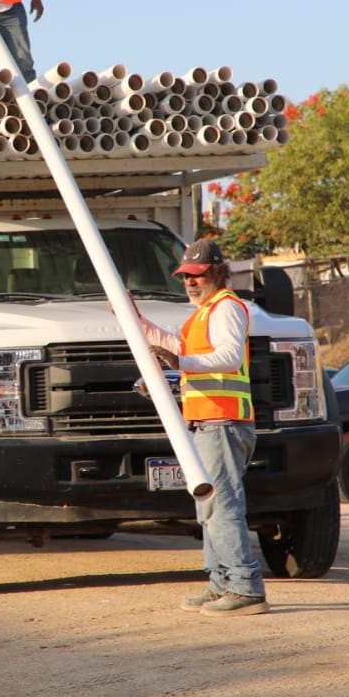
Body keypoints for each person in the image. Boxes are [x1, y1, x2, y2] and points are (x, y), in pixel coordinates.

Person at [137, 238, 268, 616]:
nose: (191, 282)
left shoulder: (226, 308)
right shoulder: (202, 313)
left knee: (222, 506)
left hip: (223, 422)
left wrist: (178, 360)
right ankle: (221, 582)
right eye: (186, 277)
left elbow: (226, 357)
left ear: (218, 273)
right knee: (210, 508)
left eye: (198, 275)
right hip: (209, 422)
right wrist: (138, 321)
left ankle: (244, 587)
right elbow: (176, 347)